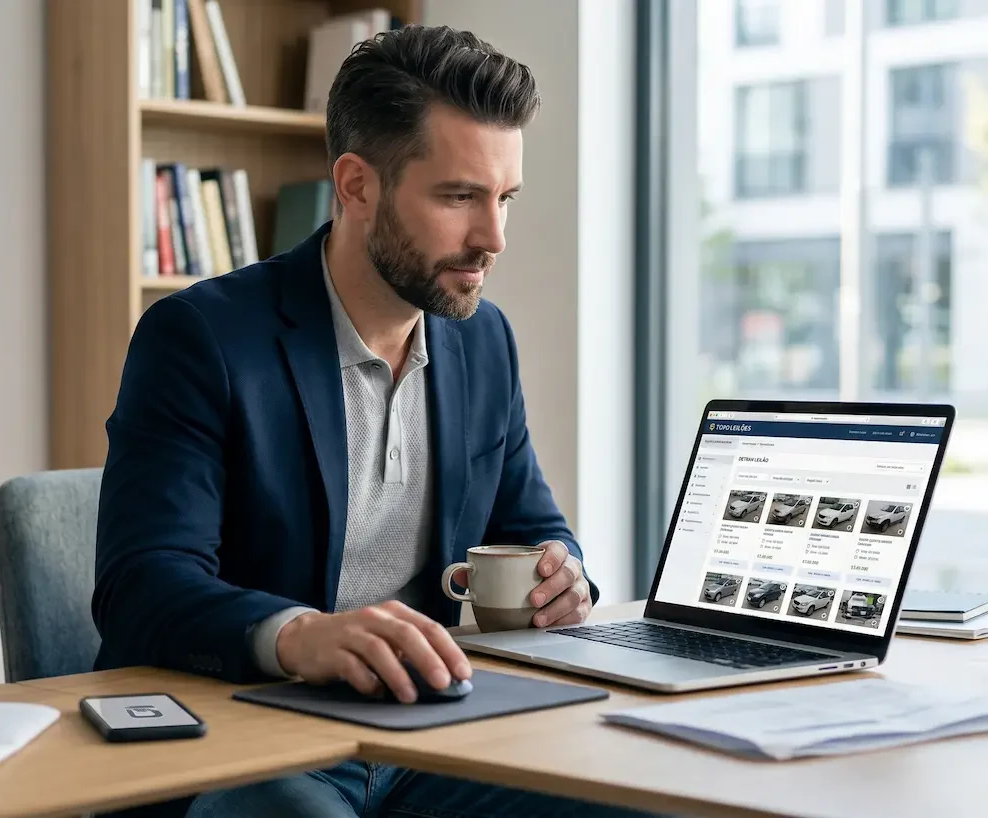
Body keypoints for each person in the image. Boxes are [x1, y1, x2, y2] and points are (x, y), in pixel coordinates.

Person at [93, 24, 656, 818]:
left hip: (430, 735)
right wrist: (298, 634)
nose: (492, 238)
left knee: (650, 800)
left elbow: (533, 528)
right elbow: (140, 587)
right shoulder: (203, 339)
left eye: (504, 199)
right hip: (253, 740)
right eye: (458, 197)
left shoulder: (482, 339)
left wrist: (560, 576)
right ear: (356, 186)